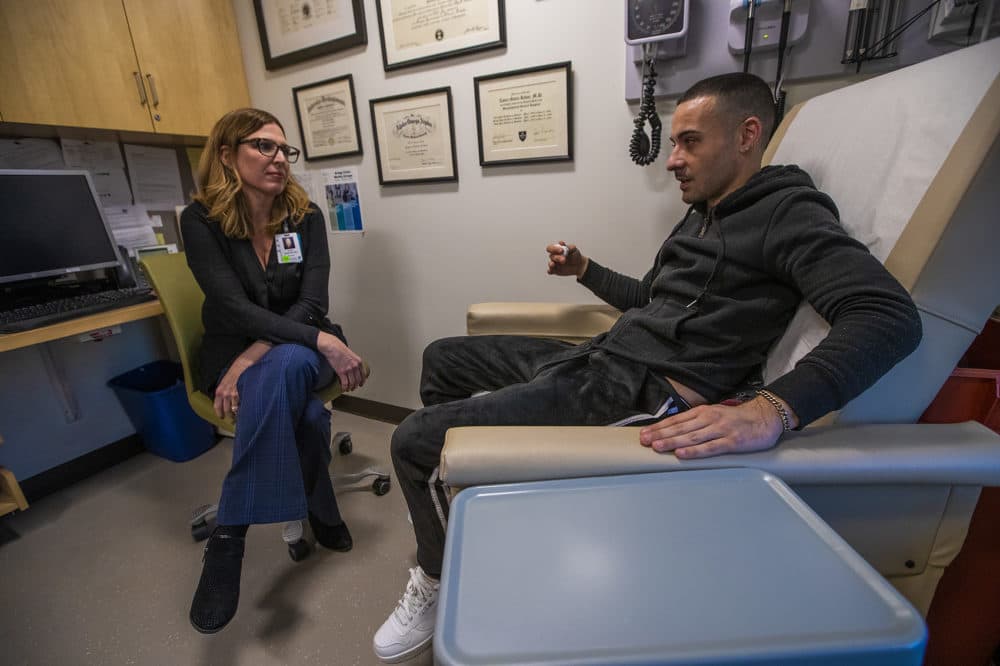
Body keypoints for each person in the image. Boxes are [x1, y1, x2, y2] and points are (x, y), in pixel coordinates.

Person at [372, 73, 923, 662]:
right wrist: (586, 270)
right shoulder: (705, 212)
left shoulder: (787, 212)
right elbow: (653, 301)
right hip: (603, 356)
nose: (672, 160)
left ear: (747, 134)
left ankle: (433, 577)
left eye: (689, 142)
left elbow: (888, 316)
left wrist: (773, 409)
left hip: (638, 391)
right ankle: (462, 513)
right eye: (672, 144)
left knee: (413, 441)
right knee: (442, 357)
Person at [181, 108, 367, 634]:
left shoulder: (305, 217)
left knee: (284, 363)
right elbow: (232, 307)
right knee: (305, 413)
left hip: (297, 344)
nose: (279, 158)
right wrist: (320, 341)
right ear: (226, 155)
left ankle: (229, 535)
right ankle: (321, 508)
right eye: (264, 146)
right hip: (250, 348)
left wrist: (253, 358)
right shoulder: (200, 221)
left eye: (285, 150)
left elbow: (311, 301)